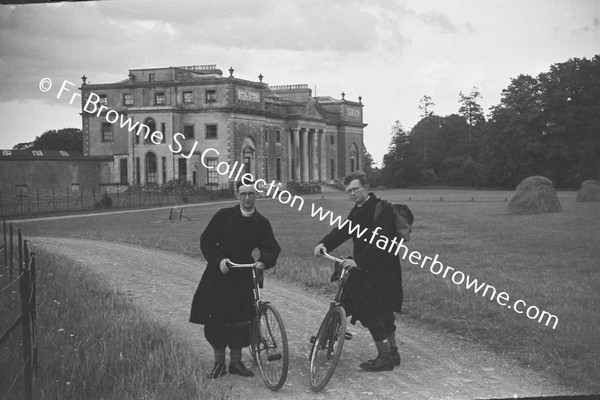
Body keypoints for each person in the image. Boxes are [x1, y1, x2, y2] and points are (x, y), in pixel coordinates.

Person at [190, 178, 281, 379]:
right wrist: (219, 260)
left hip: (242, 275)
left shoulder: (261, 222)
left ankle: (236, 363)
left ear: (257, 195)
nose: (247, 198)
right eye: (243, 194)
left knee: (241, 319)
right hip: (219, 274)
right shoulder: (223, 216)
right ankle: (219, 363)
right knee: (217, 318)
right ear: (236, 195)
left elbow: (271, 248)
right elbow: (206, 241)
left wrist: (263, 262)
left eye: (251, 193)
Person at [313, 171, 403, 372]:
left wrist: (359, 262)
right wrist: (324, 243)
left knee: (370, 310)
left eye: (355, 189)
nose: (352, 194)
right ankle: (393, 352)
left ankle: (385, 357)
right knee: (384, 311)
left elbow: (383, 243)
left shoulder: (381, 209)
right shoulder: (358, 210)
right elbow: (344, 230)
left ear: (366, 187)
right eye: (349, 191)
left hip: (383, 269)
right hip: (369, 268)